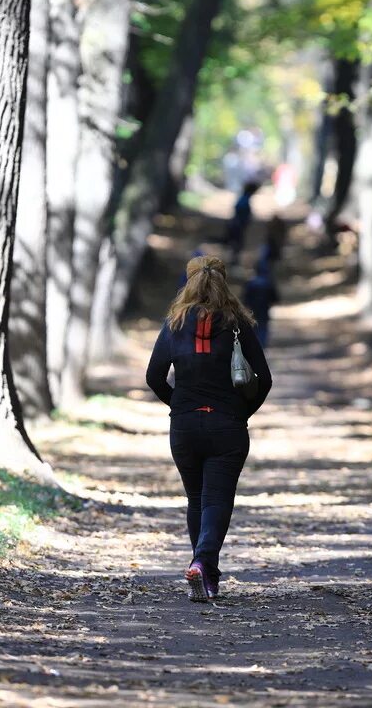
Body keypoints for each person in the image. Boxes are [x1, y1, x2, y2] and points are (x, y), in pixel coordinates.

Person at [145, 255, 272, 602]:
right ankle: (202, 563)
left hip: (185, 427)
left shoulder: (174, 323)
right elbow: (264, 379)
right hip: (226, 425)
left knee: (197, 499)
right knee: (217, 499)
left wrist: (179, 406)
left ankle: (206, 575)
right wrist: (241, 413)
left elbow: (154, 377)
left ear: (188, 283)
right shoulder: (237, 324)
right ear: (223, 282)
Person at [243, 259, 280, 348]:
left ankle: (256, 344)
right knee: (263, 327)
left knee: (255, 326)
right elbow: (275, 298)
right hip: (264, 308)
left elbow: (246, 298)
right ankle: (261, 344)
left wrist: (247, 306)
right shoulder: (268, 283)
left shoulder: (251, 283)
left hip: (253, 309)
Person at [225, 182, 260, 264]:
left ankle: (234, 260)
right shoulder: (244, 200)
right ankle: (233, 261)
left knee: (237, 243)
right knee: (236, 243)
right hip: (238, 225)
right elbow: (239, 209)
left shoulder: (244, 198)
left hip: (238, 224)